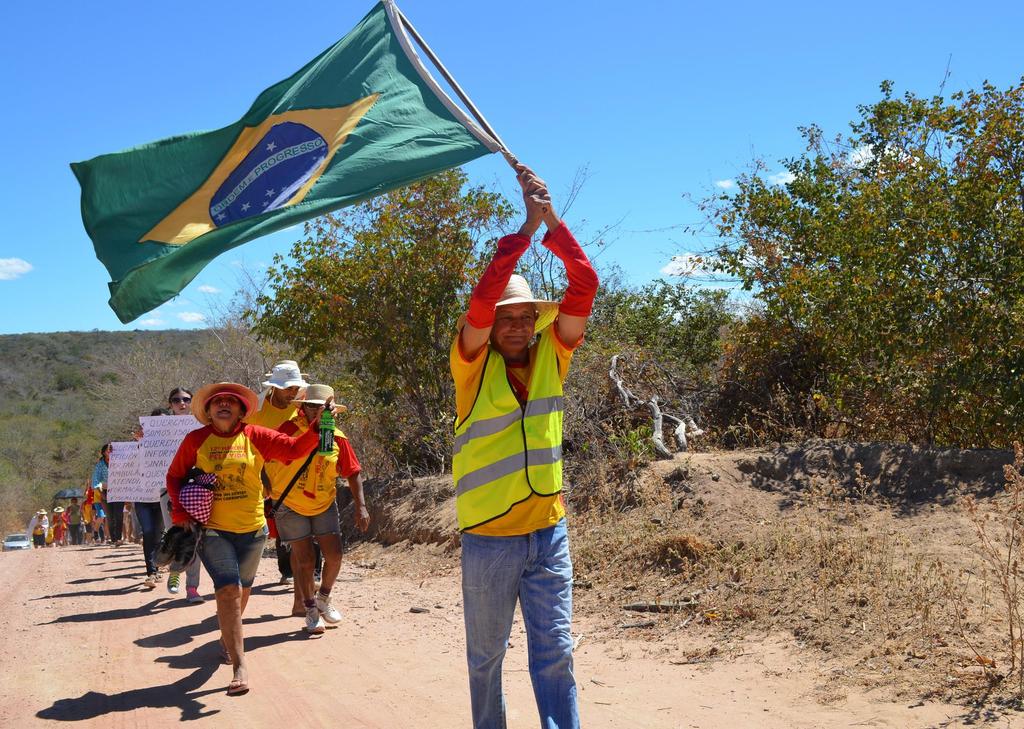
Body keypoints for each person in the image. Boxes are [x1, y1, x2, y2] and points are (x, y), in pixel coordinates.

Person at [450, 163, 598, 729]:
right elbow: (482, 300)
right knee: (486, 661)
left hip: (548, 532)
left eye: (523, 318)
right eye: (505, 319)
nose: (513, 326)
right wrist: (523, 231)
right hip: (489, 541)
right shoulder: (469, 363)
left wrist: (550, 220)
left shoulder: (553, 355)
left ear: (537, 322)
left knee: (556, 656)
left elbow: (584, 283)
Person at [166, 382, 322, 696]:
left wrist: (323, 424)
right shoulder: (195, 440)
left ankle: (228, 634)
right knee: (228, 592)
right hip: (214, 530)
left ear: (240, 410)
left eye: (230, 402)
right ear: (208, 412)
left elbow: (293, 449)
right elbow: (174, 476)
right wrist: (182, 516)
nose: (224, 405)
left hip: (253, 531)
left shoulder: (256, 436)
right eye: (217, 402)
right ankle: (240, 665)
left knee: (243, 590)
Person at [271, 384, 370, 634]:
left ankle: (323, 598)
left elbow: (352, 471)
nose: (317, 411)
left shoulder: (337, 436)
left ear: (332, 410)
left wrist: (362, 507)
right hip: (291, 504)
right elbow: (267, 459)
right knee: (305, 559)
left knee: (335, 555)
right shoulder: (288, 431)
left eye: (323, 406)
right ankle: (310, 610)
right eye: (312, 406)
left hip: (323, 502)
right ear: (302, 407)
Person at [246, 360, 319, 613]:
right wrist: (263, 478)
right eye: (288, 388)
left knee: (302, 538)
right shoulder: (256, 411)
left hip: (300, 480)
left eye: (295, 387)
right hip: (265, 481)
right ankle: (291, 578)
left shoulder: (299, 409)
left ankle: (304, 595)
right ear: (274, 388)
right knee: (285, 536)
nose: (292, 392)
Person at [156, 388, 204, 602]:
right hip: (169, 491)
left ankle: (192, 587)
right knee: (175, 534)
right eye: (176, 400)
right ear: (170, 404)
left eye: (186, 399)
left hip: (196, 490)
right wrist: (143, 439)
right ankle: (175, 572)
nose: (181, 403)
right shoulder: (158, 429)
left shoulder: (202, 426)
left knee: (194, 537)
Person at [89, 446, 110, 544]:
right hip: (98, 497)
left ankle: (108, 537)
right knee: (101, 516)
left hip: (111, 494)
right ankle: (96, 532)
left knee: (108, 517)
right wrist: (100, 491)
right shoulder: (99, 466)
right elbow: (95, 482)